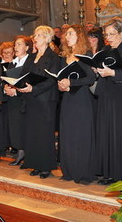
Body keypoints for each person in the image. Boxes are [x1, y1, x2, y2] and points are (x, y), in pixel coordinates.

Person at [18, 25, 60, 179]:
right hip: (31, 100)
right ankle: (35, 163)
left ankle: (46, 166)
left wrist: (33, 89)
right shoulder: (31, 57)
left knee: (44, 134)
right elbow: (23, 75)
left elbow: (51, 80)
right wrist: (20, 86)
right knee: (32, 133)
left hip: (46, 100)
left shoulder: (53, 57)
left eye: (39, 35)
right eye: (35, 35)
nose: (35, 38)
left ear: (47, 38)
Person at [58, 25, 96, 184]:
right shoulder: (63, 56)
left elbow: (90, 79)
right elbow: (59, 78)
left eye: (71, 34)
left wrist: (71, 82)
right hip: (67, 99)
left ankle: (83, 173)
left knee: (81, 136)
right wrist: (61, 85)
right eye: (67, 35)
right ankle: (70, 171)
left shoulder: (85, 55)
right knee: (68, 134)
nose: (67, 37)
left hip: (81, 100)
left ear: (79, 36)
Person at [94, 17, 122, 185]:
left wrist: (113, 74)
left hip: (119, 97)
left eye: (113, 34)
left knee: (117, 135)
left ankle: (119, 174)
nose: (109, 37)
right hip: (106, 95)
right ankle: (110, 173)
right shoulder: (106, 49)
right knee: (106, 134)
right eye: (107, 34)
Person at [4, 36, 32, 166]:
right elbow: (6, 79)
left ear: (27, 48)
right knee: (15, 127)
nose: (16, 47)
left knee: (24, 127)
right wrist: (5, 88)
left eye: (19, 44)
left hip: (25, 99)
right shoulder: (12, 63)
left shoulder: (30, 62)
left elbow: (31, 80)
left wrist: (16, 90)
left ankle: (26, 153)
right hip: (13, 100)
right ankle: (20, 151)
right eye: (15, 45)